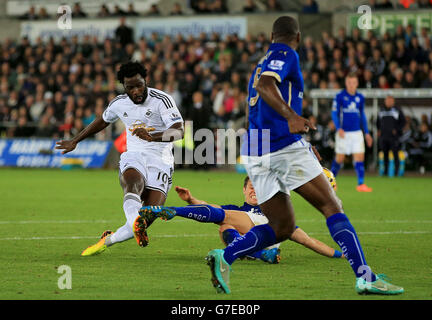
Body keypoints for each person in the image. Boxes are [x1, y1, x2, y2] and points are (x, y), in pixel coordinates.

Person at [202, 16, 403, 295]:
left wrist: (302, 142)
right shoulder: (286, 53)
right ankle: (365, 276)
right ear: (297, 38)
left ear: (272, 35)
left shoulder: (260, 63)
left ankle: (226, 256)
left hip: (257, 150)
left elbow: (262, 98)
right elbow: (267, 86)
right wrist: (293, 117)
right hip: (282, 146)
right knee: (333, 207)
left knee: (282, 226)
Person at [55, 61, 184, 255]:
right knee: (132, 184)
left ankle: (108, 239)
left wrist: (153, 136)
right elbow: (102, 120)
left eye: (139, 85)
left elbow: (179, 131)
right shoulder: (119, 103)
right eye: (130, 87)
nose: (135, 91)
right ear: (124, 86)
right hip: (134, 155)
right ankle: (135, 224)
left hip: (161, 161)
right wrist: (76, 140)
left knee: (147, 217)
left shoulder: (162, 100)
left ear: (145, 81)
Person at [138, 176, 344, 264]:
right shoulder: (238, 211)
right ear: (244, 190)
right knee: (225, 226)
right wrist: (191, 199)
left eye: (257, 187)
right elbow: (213, 208)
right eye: (250, 187)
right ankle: (263, 255)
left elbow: (309, 241)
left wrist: (340, 254)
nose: (254, 190)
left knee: (224, 218)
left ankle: (169, 211)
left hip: (268, 227)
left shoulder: (276, 213)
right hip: (256, 238)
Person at [330, 73, 374, 192]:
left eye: (353, 82)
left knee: (360, 157)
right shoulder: (340, 96)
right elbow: (334, 113)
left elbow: (363, 115)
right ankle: (330, 182)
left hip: (357, 133)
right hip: (343, 132)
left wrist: (367, 133)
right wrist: (338, 128)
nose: (351, 85)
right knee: (340, 159)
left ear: (357, 83)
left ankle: (360, 184)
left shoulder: (360, 97)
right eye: (349, 82)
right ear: (346, 83)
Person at [377, 95, 406, 176]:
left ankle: (397, 172)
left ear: (393, 101)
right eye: (387, 100)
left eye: (390, 100)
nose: (388, 102)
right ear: (385, 101)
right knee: (385, 154)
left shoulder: (397, 110)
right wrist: (379, 130)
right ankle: (385, 172)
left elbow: (403, 122)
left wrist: (397, 130)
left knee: (395, 154)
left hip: (393, 137)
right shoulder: (381, 110)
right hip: (383, 136)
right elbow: (378, 122)